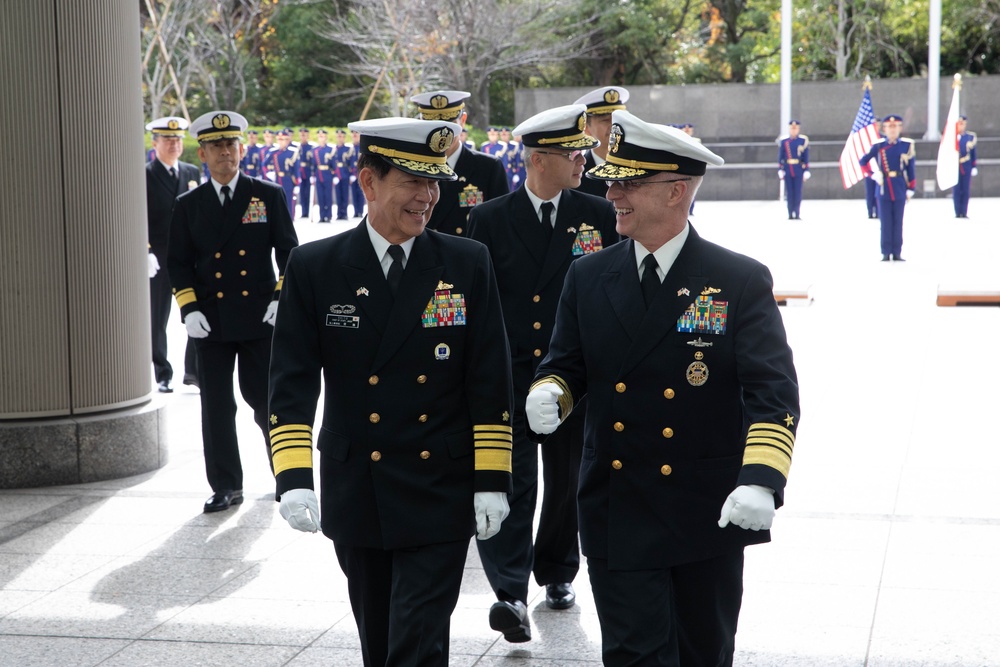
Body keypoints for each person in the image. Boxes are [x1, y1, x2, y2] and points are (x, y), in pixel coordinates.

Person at [526, 111, 800, 665]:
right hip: (616, 504)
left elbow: (773, 393)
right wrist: (551, 390)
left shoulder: (738, 279)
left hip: (703, 509)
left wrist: (762, 480)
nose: (613, 193)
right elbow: (567, 364)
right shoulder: (588, 275)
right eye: (611, 180)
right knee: (632, 654)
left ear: (676, 191)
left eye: (628, 182)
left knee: (703, 653)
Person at [267, 116, 514, 667]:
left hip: (440, 486)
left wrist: (493, 479)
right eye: (413, 182)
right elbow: (291, 382)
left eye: (434, 183)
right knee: (378, 641)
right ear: (368, 182)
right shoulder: (316, 265)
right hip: (361, 485)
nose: (428, 197)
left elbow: (489, 378)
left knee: (418, 640)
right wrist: (294, 478)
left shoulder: (465, 261)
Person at [468, 104, 619, 643]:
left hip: (572, 373)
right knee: (510, 477)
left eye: (584, 151)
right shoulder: (488, 218)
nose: (584, 160)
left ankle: (556, 571)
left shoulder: (599, 212)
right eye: (572, 153)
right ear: (537, 159)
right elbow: (479, 300)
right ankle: (509, 591)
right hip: (508, 370)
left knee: (567, 479)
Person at [167, 110, 299, 513]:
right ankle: (226, 485)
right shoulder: (189, 204)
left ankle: (287, 477)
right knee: (217, 408)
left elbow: (290, 254)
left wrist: (280, 300)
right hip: (211, 321)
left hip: (260, 318)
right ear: (203, 154)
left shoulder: (267, 194)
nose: (226, 152)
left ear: (242, 149)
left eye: (231, 144)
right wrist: (189, 309)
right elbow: (179, 263)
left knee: (268, 402)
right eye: (216, 146)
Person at [145, 116, 201, 393]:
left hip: (188, 256)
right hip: (158, 257)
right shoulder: (143, 174)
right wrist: (145, 250)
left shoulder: (191, 173)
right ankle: (162, 371)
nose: (174, 144)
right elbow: (136, 216)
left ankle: (193, 371)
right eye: (167, 140)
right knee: (157, 317)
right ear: (155, 144)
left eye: (177, 140)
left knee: (197, 310)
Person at [410, 90, 509, 236]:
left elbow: (501, 226)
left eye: (449, 124)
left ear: (462, 121)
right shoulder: (410, 167)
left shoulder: (488, 167)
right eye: (433, 125)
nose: (442, 133)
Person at [859, 113, 915, 261]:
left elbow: (911, 168)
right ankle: (885, 251)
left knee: (898, 220)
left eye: (895, 126)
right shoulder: (879, 145)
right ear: (884, 128)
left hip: (899, 185)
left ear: (899, 128)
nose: (892, 130)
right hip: (884, 186)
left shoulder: (906, 145)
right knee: (885, 221)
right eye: (889, 127)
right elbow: (863, 161)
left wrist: (911, 188)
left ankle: (896, 251)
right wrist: (872, 174)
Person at [572, 85, 629, 199]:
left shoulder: (639, 166)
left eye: (619, 119)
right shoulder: (576, 175)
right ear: (587, 129)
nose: (614, 125)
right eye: (606, 120)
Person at [778, 120, 810, 220]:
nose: (793, 130)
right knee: (790, 193)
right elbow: (781, 157)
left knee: (797, 192)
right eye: (792, 128)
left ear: (798, 129)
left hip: (798, 169)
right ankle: (790, 213)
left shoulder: (802, 141)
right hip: (788, 169)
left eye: (795, 128)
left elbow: (806, 157)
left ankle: (797, 212)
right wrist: (780, 169)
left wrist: (806, 170)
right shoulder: (784, 141)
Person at [953, 114, 978, 218]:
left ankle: (964, 211)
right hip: (955, 165)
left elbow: (973, 153)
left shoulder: (970, 137)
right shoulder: (952, 137)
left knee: (965, 189)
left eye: (963, 124)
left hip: (966, 164)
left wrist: (974, 166)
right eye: (959, 124)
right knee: (957, 189)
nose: (961, 126)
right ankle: (957, 211)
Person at [313, 129, 335, 222]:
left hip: (327, 174)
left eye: (323, 136)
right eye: (320, 136)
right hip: (318, 174)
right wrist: (313, 175)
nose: (321, 138)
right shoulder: (314, 150)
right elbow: (313, 165)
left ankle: (328, 215)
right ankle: (322, 216)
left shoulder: (330, 149)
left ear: (326, 137)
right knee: (320, 196)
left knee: (328, 196)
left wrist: (335, 176)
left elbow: (333, 164)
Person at [332, 129, 353, 220]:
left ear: (344, 137)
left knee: (345, 193)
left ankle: (344, 213)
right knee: (338, 194)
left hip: (345, 172)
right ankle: (338, 213)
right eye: (338, 136)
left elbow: (351, 162)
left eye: (341, 136)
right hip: (337, 173)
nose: (339, 138)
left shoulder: (348, 149)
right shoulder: (333, 149)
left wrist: (353, 174)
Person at [296, 127, 316, 220]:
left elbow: (314, 162)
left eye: (304, 135)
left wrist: (313, 174)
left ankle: (308, 211)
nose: (303, 137)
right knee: (302, 192)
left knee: (308, 192)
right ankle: (303, 212)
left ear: (308, 136)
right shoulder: (297, 147)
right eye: (301, 135)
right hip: (300, 171)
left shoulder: (311, 148)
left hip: (308, 171)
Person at [349, 129, 367, 218]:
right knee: (353, 193)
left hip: (360, 173)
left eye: (356, 133)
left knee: (360, 193)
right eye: (353, 134)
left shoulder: (362, 148)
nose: (354, 135)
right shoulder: (350, 148)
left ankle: (360, 211)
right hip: (352, 174)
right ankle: (356, 211)